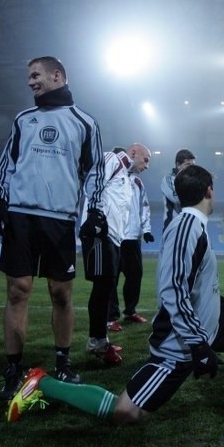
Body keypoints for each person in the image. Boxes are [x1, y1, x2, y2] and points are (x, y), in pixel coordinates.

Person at [5, 165, 224, 424]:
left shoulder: (194, 224)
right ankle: (42, 383)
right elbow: (173, 291)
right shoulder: (187, 226)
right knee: (125, 413)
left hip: (207, 325)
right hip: (179, 348)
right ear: (210, 191)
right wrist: (198, 346)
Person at [0, 55, 105, 400]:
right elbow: (7, 163)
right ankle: (13, 368)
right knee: (18, 290)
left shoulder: (85, 122)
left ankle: (63, 361)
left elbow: (95, 172)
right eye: (29, 76)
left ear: (58, 75)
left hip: (60, 218)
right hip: (21, 215)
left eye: (35, 75)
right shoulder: (23, 119)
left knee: (61, 293)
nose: (30, 82)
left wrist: (95, 211)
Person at [80, 145, 149, 366]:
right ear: (133, 152)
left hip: (114, 237)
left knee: (106, 285)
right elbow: (93, 182)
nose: (146, 165)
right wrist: (96, 216)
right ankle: (98, 342)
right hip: (101, 233)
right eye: (145, 160)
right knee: (103, 286)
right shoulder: (113, 159)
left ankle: (100, 339)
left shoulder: (129, 179)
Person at [107, 143, 154, 330]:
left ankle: (130, 310)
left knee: (135, 275)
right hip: (115, 235)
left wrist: (147, 229)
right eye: (146, 160)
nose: (147, 166)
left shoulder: (136, 182)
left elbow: (144, 206)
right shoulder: (112, 174)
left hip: (132, 237)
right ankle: (111, 317)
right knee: (111, 278)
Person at [161, 148, 196, 230]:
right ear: (178, 165)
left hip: (191, 226)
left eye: (193, 165)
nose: (191, 169)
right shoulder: (168, 179)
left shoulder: (195, 179)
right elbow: (177, 199)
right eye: (188, 165)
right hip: (173, 226)